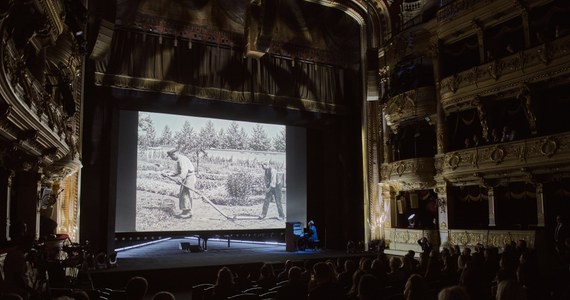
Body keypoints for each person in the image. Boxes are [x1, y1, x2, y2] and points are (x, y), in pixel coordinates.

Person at [163, 149, 195, 218]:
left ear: (174, 154)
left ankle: (188, 212)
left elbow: (184, 171)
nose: (171, 158)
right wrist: (168, 174)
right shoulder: (178, 160)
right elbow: (176, 172)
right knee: (183, 194)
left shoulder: (181, 160)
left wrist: (180, 179)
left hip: (189, 177)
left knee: (186, 194)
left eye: (171, 157)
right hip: (186, 177)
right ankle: (185, 211)